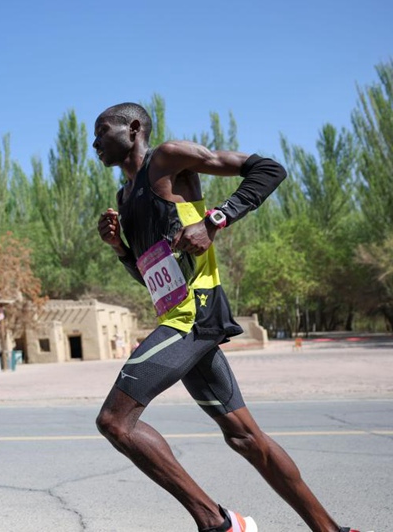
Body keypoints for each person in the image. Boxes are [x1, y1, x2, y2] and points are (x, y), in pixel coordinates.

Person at [93, 102, 366, 532]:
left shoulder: (167, 158)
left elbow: (269, 169)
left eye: (101, 131)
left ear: (132, 128)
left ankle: (216, 522)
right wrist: (121, 250)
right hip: (180, 318)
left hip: (195, 314)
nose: (94, 143)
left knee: (114, 420)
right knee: (244, 437)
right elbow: (149, 275)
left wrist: (215, 220)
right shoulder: (125, 197)